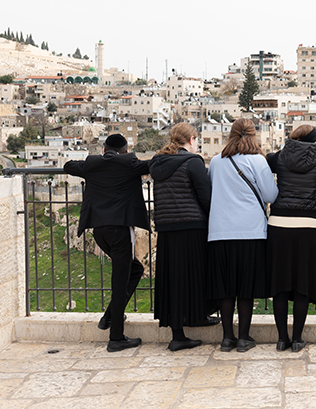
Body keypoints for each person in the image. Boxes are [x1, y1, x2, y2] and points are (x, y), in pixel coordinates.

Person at [64, 133, 149, 352]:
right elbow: (153, 165)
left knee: (134, 269)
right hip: (120, 230)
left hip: (99, 231)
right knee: (120, 282)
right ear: (125, 150)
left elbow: (68, 165)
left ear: (104, 150)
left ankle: (109, 317)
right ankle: (116, 338)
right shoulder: (130, 163)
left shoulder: (93, 164)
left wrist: (99, 162)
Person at [267, 125, 316, 352]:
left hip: (279, 224)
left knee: (279, 285)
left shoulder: (278, 158)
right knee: (302, 284)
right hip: (306, 225)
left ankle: (282, 338)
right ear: (315, 141)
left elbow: (268, 159)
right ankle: (297, 338)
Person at [207, 118, 278, 352]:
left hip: (219, 231)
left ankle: (227, 337)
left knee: (226, 287)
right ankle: (244, 337)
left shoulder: (217, 161)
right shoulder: (258, 160)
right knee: (245, 287)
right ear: (253, 135)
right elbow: (270, 195)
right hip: (250, 230)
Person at [149, 123, 212, 352]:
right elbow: (205, 196)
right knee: (196, 274)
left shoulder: (157, 162)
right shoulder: (192, 162)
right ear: (192, 140)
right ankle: (192, 322)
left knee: (173, 279)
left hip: (167, 228)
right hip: (192, 226)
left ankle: (180, 329)